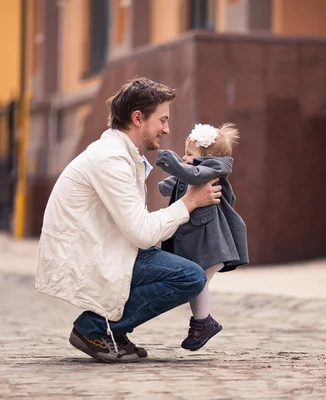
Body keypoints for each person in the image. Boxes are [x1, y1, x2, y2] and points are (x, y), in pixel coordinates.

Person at [35, 77, 223, 363]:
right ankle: (96, 327)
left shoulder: (120, 154)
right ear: (138, 118)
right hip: (89, 254)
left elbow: (138, 229)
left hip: (106, 247)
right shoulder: (110, 159)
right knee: (190, 276)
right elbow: (143, 233)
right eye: (162, 120)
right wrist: (191, 201)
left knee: (178, 266)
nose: (167, 128)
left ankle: (111, 329)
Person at [155, 122, 249, 351]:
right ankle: (202, 323)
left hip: (213, 244)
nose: (185, 158)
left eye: (189, 154)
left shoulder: (214, 169)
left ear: (206, 156)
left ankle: (203, 323)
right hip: (200, 243)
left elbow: (194, 175)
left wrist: (172, 163)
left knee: (199, 281)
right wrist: (168, 184)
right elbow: (180, 181)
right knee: (196, 281)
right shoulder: (196, 172)